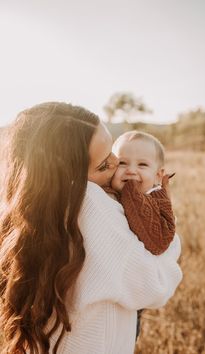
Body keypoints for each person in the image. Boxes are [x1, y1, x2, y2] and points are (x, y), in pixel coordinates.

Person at [0, 102, 182, 354]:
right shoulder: (91, 203)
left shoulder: (33, 210)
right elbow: (157, 286)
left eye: (112, 150)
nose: (117, 163)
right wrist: (166, 220)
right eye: (103, 164)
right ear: (68, 175)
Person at [104, 130, 176, 338]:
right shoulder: (105, 198)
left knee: (125, 335)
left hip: (136, 291)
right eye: (122, 163)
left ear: (158, 175)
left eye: (142, 165)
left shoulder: (156, 203)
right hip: (108, 288)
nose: (131, 171)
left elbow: (160, 238)